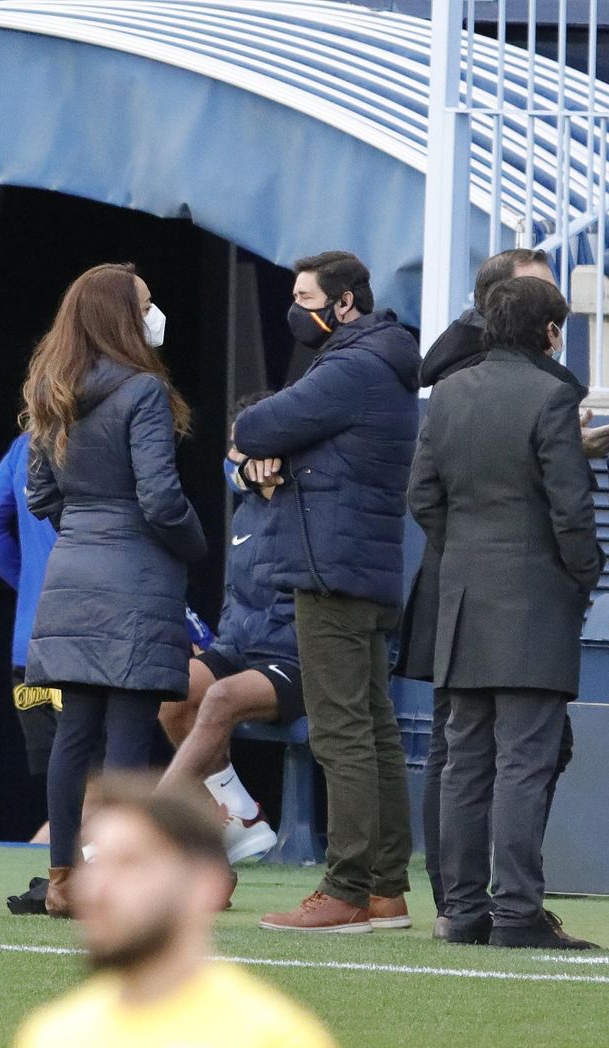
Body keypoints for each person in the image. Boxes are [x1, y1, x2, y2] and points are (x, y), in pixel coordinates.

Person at [397, 248, 598, 936]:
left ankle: (460, 911)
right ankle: (516, 909)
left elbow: (422, 494)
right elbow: (571, 510)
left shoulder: (449, 392)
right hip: (534, 600)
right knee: (524, 758)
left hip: (461, 600)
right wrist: (582, 573)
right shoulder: (553, 396)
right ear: (548, 333)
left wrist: (464, 555)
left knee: (464, 760)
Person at [235, 251, 418, 934]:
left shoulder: (348, 367)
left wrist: (269, 448)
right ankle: (386, 890)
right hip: (364, 569)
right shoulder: (384, 360)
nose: (295, 307)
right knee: (374, 730)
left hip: (330, 570)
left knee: (341, 734)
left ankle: (346, 889)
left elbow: (254, 426)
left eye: (306, 295)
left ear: (345, 304)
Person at [22, 264, 207, 919]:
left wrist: (86, 529)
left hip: (73, 571)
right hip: (136, 576)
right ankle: (120, 877)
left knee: (75, 730)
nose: (155, 314)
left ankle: (63, 878)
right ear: (122, 318)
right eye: (146, 304)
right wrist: (195, 543)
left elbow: (39, 493)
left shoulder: (52, 388)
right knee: (128, 734)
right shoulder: (144, 392)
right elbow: (161, 498)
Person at [9, 773, 345, 1048]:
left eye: (129, 864)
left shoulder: (277, 1046)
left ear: (204, 886)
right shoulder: (51, 1039)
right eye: (96, 865)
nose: (98, 890)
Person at [157, 394, 303, 872]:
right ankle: (241, 815)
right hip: (238, 645)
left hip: (296, 656)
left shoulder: (310, 502)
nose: (236, 459)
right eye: (233, 447)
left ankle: (151, 822)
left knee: (219, 699)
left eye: (247, 447)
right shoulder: (244, 507)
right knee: (169, 690)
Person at [0, 431, 61, 834]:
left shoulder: (26, 442)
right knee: (102, 789)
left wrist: (31, 583)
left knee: (71, 792)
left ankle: (60, 875)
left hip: (29, 649)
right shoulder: (107, 436)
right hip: (88, 643)